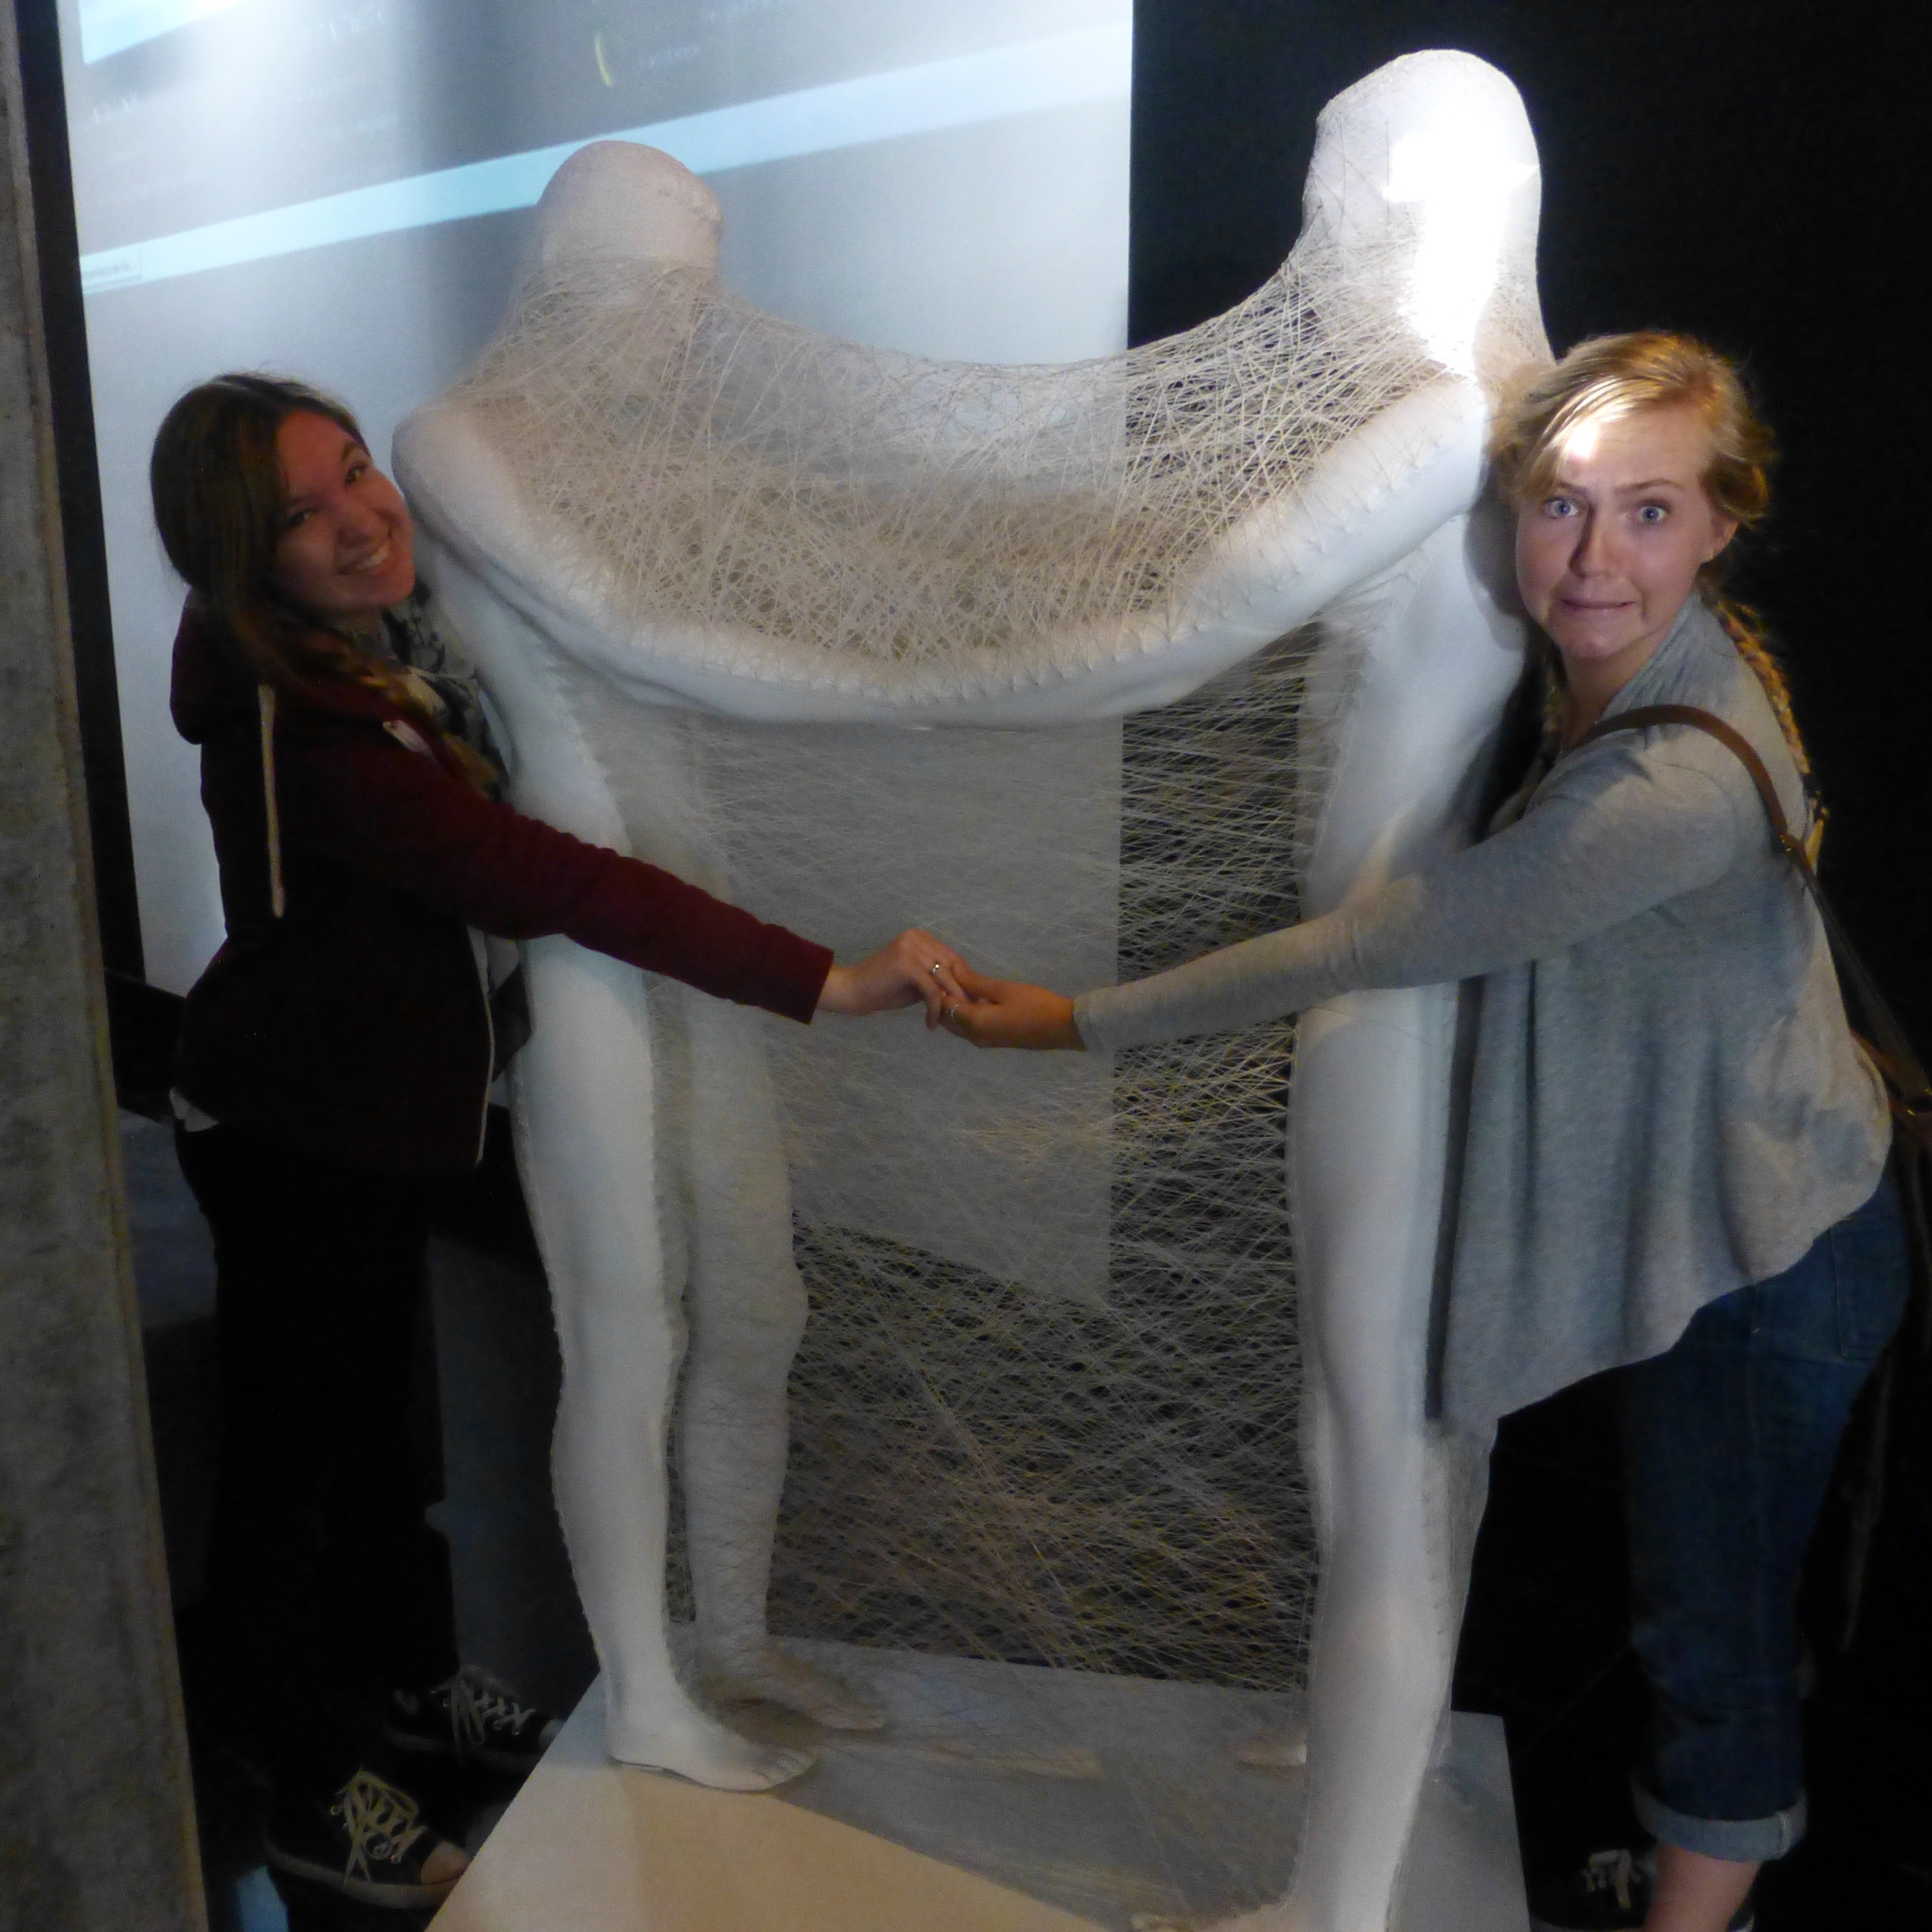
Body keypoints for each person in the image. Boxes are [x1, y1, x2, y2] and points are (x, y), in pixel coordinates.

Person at [938, 332, 1907, 1932]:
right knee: (1691, 1589)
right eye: (1559, 505)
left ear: (1721, 524)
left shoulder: (1666, 784)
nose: (1591, 559)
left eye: (1648, 512)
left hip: (1765, 1254)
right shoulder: (1641, 670)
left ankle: (1702, 1901)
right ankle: (1696, 1862)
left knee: (1707, 1622)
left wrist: (1075, 1022)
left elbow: (1381, 939)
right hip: (1742, 1202)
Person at [152, 372, 965, 1910]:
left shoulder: (378, 654)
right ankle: (312, 1788)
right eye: (300, 516)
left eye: (351, 471)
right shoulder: (312, 733)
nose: (359, 519)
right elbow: (554, 877)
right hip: (287, 1132)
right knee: (289, 1467)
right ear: (245, 560)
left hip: (364, 1120)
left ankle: (410, 1690)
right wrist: (825, 978)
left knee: (378, 1441)